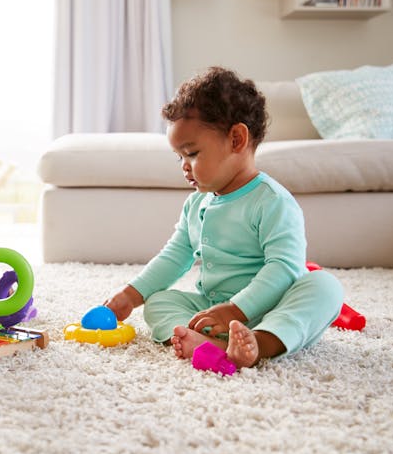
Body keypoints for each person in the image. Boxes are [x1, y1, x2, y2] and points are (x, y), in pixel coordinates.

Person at [104, 66, 344, 368]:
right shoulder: (196, 204)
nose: (184, 166)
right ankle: (212, 342)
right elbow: (174, 256)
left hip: (271, 307)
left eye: (192, 153)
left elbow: (284, 268)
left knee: (325, 288)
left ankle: (260, 343)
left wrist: (236, 309)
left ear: (236, 140)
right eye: (179, 157)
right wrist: (130, 295)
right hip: (213, 309)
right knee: (159, 303)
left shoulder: (271, 201)